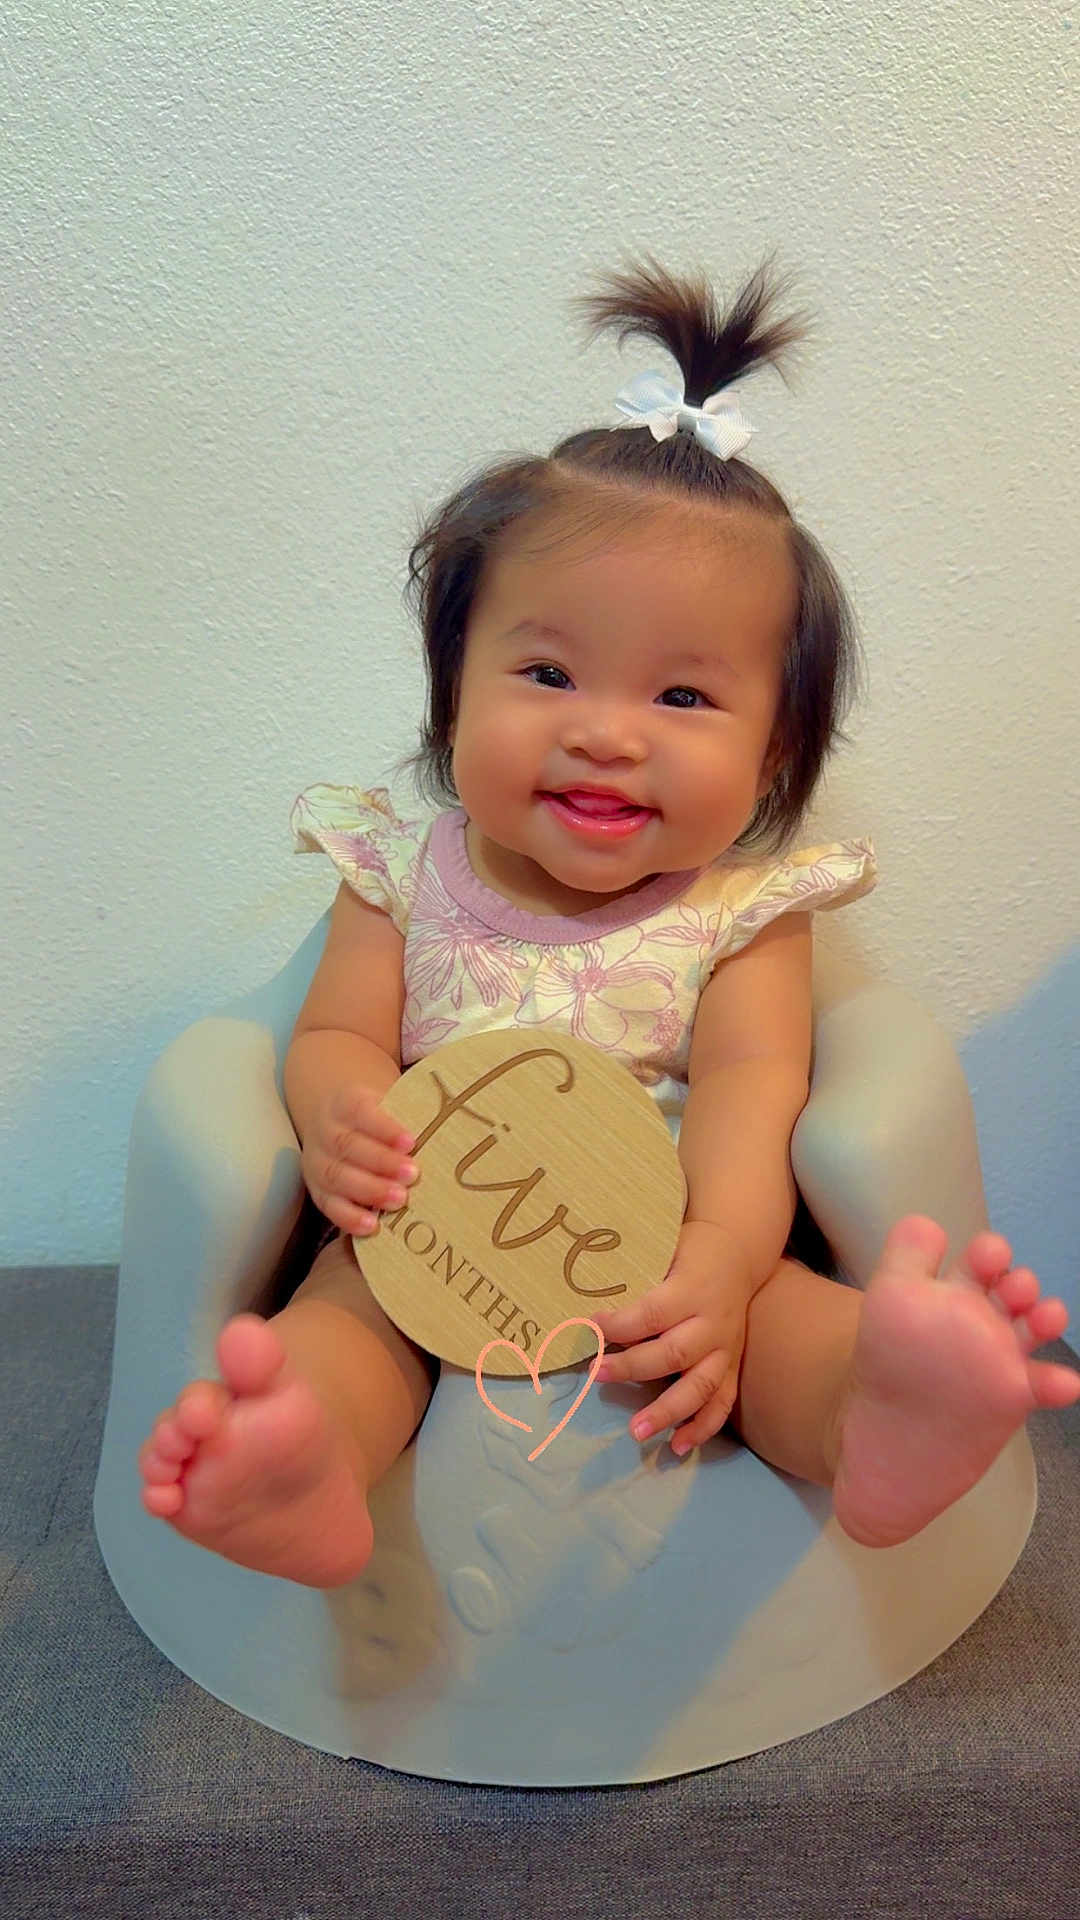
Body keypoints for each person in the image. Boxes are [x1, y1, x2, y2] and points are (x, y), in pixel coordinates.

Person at [138, 258, 1080, 1588]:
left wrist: (716, 1260)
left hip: (659, 1244)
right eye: (546, 671)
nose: (603, 729)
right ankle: (295, 1466)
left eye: (684, 698)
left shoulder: (745, 913)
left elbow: (758, 1098)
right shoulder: (403, 868)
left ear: (771, 761)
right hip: (437, 1232)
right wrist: (342, 1113)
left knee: (768, 1329)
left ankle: (886, 1411)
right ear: (450, 692)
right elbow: (336, 1034)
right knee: (344, 1326)